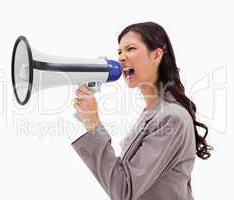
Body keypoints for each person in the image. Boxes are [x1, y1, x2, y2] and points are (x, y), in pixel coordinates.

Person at [72, 22, 212, 200]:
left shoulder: (172, 118)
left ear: (156, 55)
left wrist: (93, 124)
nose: (121, 58)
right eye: (119, 52)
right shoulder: (152, 113)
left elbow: (124, 190)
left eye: (130, 49)